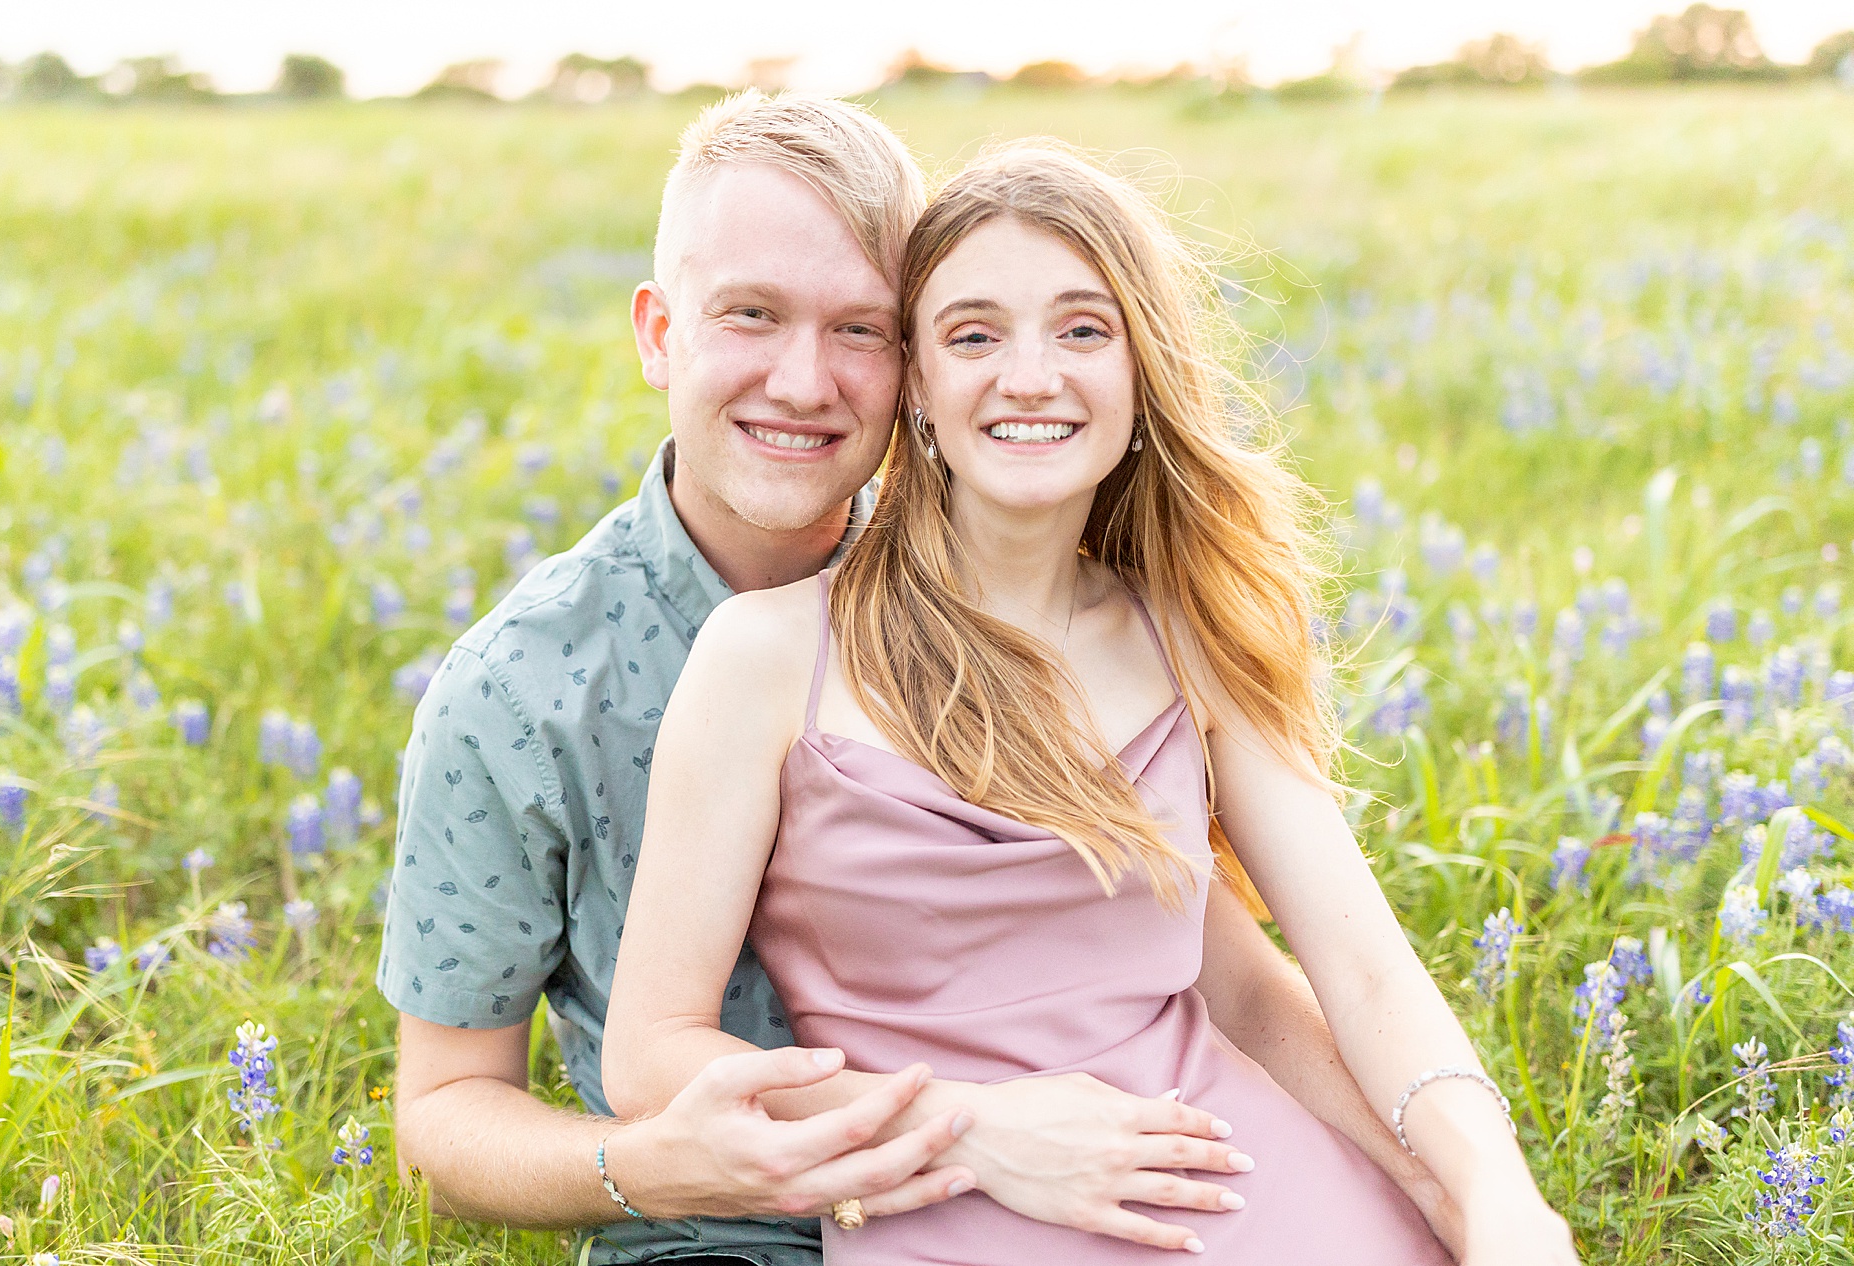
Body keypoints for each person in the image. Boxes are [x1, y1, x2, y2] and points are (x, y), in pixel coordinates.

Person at [380, 92, 1459, 1266]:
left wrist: (1453, 1189)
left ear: (918, 362)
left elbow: (1226, 968)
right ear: (657, 334)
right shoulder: (518, 687)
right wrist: (652, 1166)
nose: (804, 382)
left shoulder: (1002, 600)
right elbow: (443, 1117)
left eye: (861, 330)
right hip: (720, 1233)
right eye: (750, 315)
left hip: (1076, 1194)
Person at [602, 143, 1582, 1264]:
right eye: (975, 335)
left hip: (1256, 1188)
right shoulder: (771, 654)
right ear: (916, 379)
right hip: (951, 1220)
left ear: (1138, 369)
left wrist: (1491, 1192)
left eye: (1081, 329)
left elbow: (1350, 973)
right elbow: (652, 1055)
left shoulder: (1190, 636)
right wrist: (963, 1131)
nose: (1030, 377)